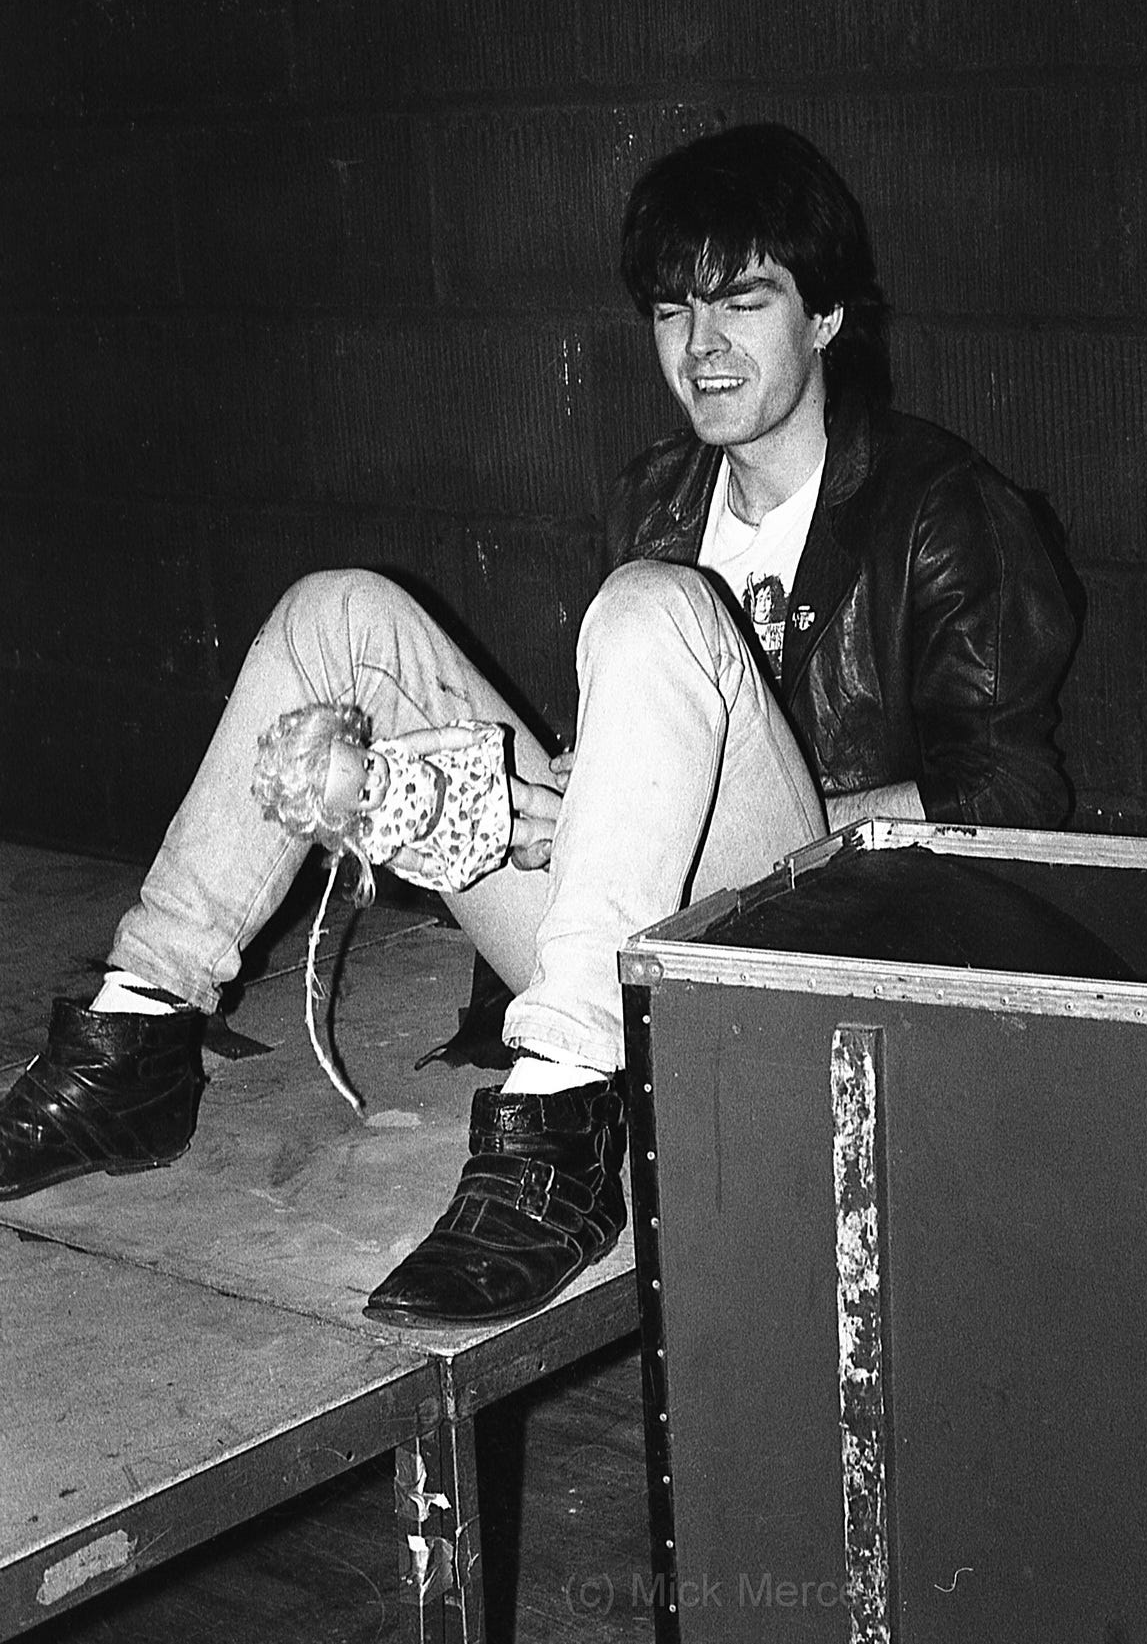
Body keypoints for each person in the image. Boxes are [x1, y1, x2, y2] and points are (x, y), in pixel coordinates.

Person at [0, 125, 1079, 1325]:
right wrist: (534, 801)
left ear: (825, 317)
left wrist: (656, 811)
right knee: (334, 614)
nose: (701, 348)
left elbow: (1012, 796)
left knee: (653, 602)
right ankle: (136, 1038)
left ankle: (557, 1133)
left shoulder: (938, 509)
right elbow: (638, 759)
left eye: (742, 303)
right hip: (636, 962)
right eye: (671, 311)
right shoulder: (654, 495)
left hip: (817, 953)